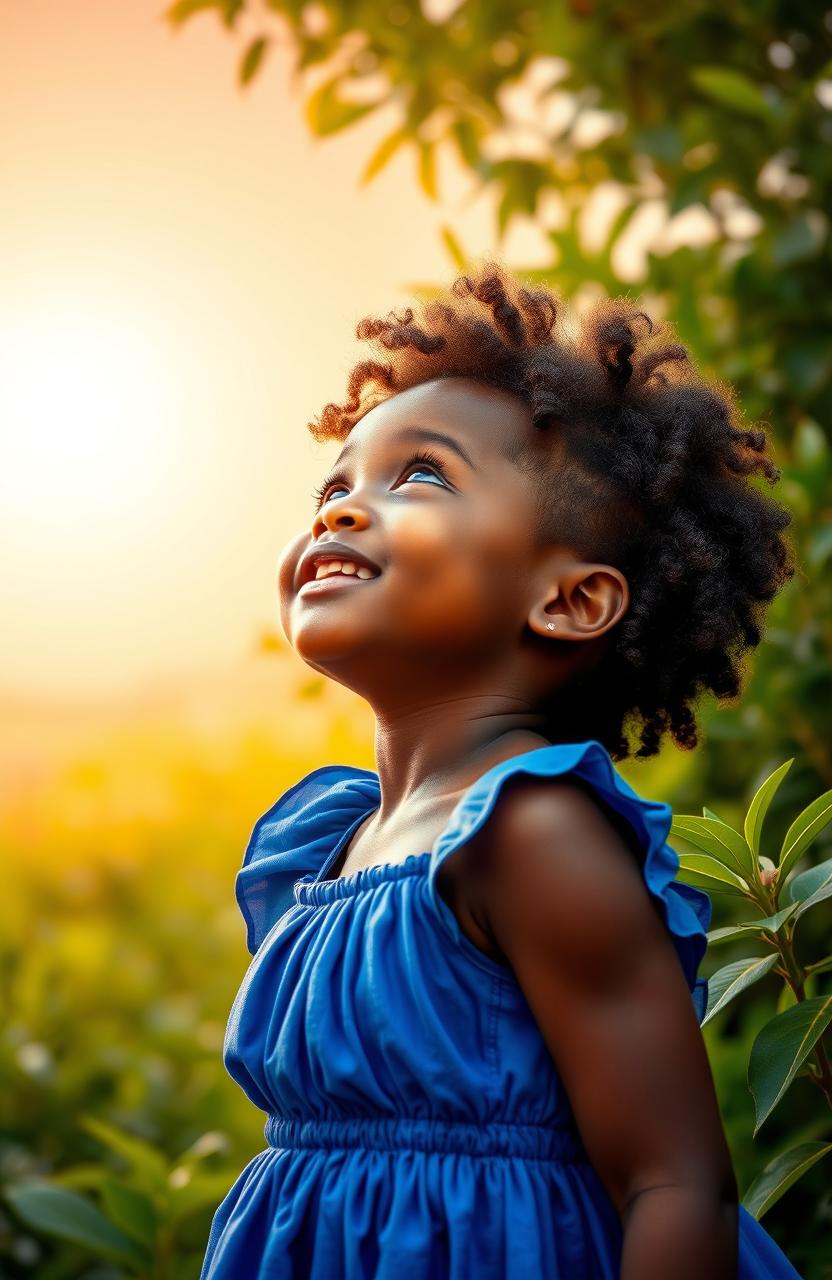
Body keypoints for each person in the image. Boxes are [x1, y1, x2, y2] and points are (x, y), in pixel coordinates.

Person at [199, 260, 803, 1278]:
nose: (341, 511)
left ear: (569, 600)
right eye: (334, 483)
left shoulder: (528, 833)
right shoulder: (332, 838)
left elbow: (674, 1182)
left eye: (421, 476)